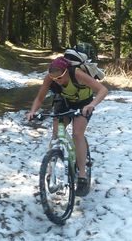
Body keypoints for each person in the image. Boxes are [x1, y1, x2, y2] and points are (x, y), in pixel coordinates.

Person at [27, 55, 109, 196]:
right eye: (53, 79)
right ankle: (50, 171)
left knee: (77, 134)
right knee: (56, 134)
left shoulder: (77, 74)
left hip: (83, 103)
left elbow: (103, 90)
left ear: (66, 71)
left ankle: (82, 175)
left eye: (59, 78)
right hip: (64, 102)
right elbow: (40, 97)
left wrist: (92, 105)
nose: (57, 81)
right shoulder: (50, 77)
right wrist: (33, 111)